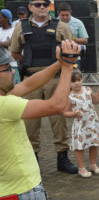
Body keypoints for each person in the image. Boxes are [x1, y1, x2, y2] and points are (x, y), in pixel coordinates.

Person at [0, 41, 80, 199]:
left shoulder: (4, 98)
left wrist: (59, 63)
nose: (12, 73)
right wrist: (68, 66)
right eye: (7, 68)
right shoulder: (5, 105)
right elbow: (56, 106)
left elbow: (28, 84)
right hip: (21, 190)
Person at [10, 0, 78, 174]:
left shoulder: (61, 26)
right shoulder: (20, 27)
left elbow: (71, 52)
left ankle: (62, 159)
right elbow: (15, 52)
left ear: (50, 7)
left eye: (45, 5)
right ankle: (33, 160)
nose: (42, 7)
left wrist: (72, 80)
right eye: (37, 4)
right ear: (30, 7)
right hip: (31, 79)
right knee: (30, 123)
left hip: (55, 79)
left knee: (59, 120)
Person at [63, 69, 99, 178]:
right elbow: (65, 112)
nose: (77, 83)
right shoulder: (69, 96)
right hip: (80, 125)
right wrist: (73, 113)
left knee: (94, 144)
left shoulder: (87, 90)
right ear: (68, 83)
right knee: (79, 147)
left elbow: (95, 101)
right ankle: (81, 168)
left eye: (79, 80)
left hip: (92, 122)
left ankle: (93, 164)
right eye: (73, 81)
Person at [57, 2, 88, 69]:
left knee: (74, 78)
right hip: (58, 57)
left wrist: (72, 40)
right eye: (62, 15)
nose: (65, 17)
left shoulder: (78, 23)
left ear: (70, 12)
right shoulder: (54, 23)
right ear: (58, 13)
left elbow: (85, 40)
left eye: (67, 15)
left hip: (74, 57)